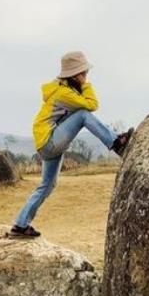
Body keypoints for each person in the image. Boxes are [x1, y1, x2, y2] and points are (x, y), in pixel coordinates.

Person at [10, 51, 133, 238]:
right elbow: (92, 105)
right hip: (50, 141)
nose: (86, 77)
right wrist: (87, 85)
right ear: (75, 75)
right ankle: (116, 143)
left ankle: (20, 225)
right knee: (83, 115)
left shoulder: (64, 89)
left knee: (47, 186)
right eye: (84, 73)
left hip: (48, 143)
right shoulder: (64, 93)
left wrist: (82, 83)